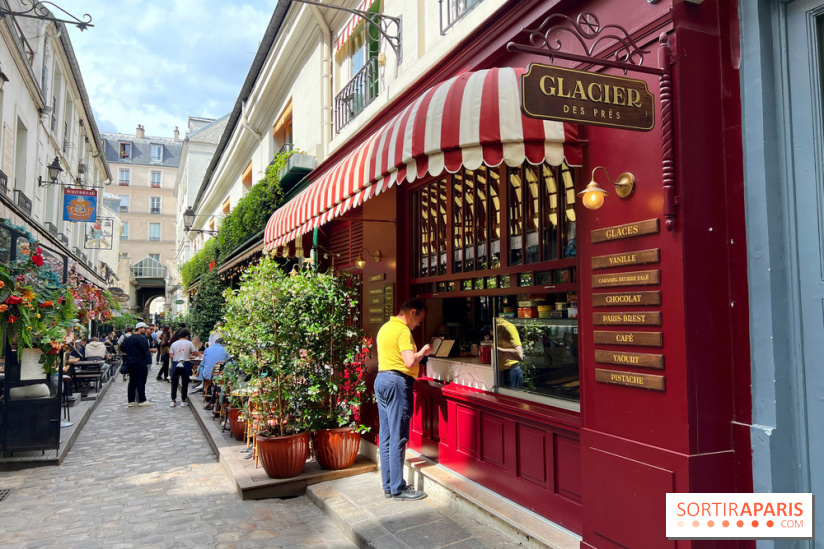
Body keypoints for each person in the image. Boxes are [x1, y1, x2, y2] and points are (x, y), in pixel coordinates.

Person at [374, 298, 432, 501]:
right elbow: (408, 361)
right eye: (419, 319)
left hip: (381, 379)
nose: (419, 323)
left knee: (387, 436)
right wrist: (423, 352)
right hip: (397, 382)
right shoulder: (403, 331)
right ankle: (398, 487)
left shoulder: (385, 328)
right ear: (412, 312)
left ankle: (389, 485)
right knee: (399, 436)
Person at [122, 322, 154, 407]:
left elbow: (123, 348)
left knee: (132, 381)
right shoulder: (141, 338)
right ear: (139, 328)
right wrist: (152, 350)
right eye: (144, 328)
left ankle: (131, 400)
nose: (145, 330)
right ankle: (142, 399)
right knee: (141, 381)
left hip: (130, 362)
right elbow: (146, 349)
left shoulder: (128, 338)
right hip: (140, 362)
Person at [169, 328, 199, 407]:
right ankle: (183, 401)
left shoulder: (174, 344)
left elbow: (171, 356)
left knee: (174, 383)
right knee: (184, 383)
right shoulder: (189, 343)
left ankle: (173, 401)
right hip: (185, 364)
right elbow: (196, 353)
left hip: (176, 364)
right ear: (187, 336)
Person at [495, 318, 524, 389]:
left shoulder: (508, 327)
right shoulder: (496, 327)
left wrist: (498, 350)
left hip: (511, 371)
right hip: (501, 371)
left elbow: (519, 355)